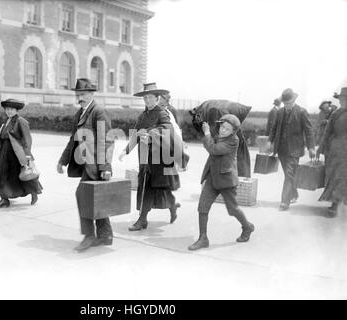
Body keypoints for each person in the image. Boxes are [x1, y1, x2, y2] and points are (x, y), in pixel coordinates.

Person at [57, 78, 114, 252]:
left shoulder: (98, 111)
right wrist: (63, 160)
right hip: (86, 162)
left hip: (96, 164)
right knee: (96, 198)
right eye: (78, 94)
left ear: (91, 94)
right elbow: (72, 139)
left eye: (82, 94)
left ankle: (89, 236)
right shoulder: (80, 113)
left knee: (83, 196)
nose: (79, 97)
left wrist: (105, 168)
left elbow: (106, 140)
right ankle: (105, 235)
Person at [119, 83, 181, 230]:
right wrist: (125, 150)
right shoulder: (142, 116)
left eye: (149, 97)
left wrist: (150, 134)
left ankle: (171, 207)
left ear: (156, 98)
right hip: (145, 157)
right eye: (145, 97)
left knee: (161, 188)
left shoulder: (162, 113)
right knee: (146, 186)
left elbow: (168, 129)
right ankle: (143, 219)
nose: (147, 100)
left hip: (160, 157)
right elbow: (135, 135)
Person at [188, 114, 255, 250]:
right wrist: (200, 124)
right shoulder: (220, 136)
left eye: (227, 129)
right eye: (222, 126)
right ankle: (203, 238)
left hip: (226, 181)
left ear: (233, 132)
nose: (223, 130)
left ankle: (247, 227)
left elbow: (213, 149)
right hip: (212, 177)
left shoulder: (233, 141)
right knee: (202, 207)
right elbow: (210, 140)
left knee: (232, 210)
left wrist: (207, 133)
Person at [268, 88, 315, 211]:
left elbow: (309, 131)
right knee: (288, 174)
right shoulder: (280, 112)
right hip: (281, 149)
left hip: (294, 149)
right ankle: (293, 193)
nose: (287, 106)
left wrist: (311, 147)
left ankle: (285, 202)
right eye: (285, 103)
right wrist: (270, 141)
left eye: (289, 103)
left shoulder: (301, 112)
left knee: (289, 175)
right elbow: (274, 128)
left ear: (293, 101)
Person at [0, 99, 43, 209]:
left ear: (16, 110)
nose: (9, 111)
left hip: (17, 155)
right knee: (3, 176)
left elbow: (27, 139)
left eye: (11, 109)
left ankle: (34, 193)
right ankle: (4, 199)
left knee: (24, 176)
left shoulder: (21, 121)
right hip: (4, 154)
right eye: (7, 109)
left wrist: (27, 155)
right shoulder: (6, 121)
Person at [317, 88, 347, 217]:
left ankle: (340, 201)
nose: (341, 100)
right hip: (336, 149)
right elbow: (327, 132)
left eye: (343, 98)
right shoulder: (336, 113)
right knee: (336, 176)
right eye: (340, 98)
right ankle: (335, 204)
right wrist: (319, 148)